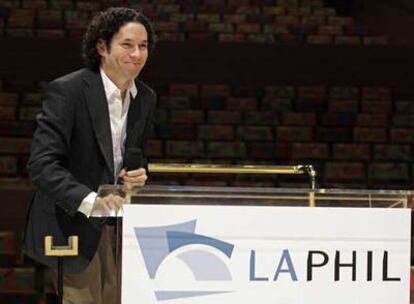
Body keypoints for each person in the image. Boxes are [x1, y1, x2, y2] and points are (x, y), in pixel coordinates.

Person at [23, 7, 157, 304]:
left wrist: (138, 173)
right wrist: (91, 201)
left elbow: (129, 157)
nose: (137, 54)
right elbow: (42, 164)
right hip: (70, 224)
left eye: (143, 46)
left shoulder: (146, 97)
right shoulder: (68, 90)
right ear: (101, 46)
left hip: (118, 228)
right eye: (127, 45)